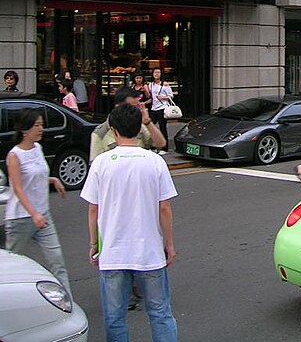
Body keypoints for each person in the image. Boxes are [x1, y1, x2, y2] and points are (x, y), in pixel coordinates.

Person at [81, 102, 178, 342]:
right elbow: (164, 207)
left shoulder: (102, 163)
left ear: (113, 130)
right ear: (138, 129)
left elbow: (93, 209)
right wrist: (169, 243)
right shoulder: (155, 162)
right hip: (149, 252)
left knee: (114, 318)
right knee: (160, 313)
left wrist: (94, 244)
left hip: (113, 253)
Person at [4, 108, 72, 297]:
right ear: (25, 130)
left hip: (43, 215)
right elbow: (17, 188)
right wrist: (33, 214)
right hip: (20, 219)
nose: (41, 129)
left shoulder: (38, 148)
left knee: (57, 261)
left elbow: (37, 175)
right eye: (37, 125)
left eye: (42, 125)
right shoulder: (14, 155)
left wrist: (53, 180)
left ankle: (68, 302)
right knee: (11, 265)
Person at [90, 87, 166, 162]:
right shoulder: (100, 132)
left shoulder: (140, 126)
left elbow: (160, 143)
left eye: (138, 107)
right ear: (118, 107)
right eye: (132, 107)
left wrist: (147, 122)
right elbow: (95, 165)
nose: (136, 110)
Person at [148, 68, 173, 155]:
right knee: (151, 128)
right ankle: (153, 147)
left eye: (158, 72)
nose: (156, 74)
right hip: (153, 108)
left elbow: (171, 96)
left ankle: (164, 148)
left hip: (162, 108)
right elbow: (150, 96)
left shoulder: (164, 84)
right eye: (155, 72)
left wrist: (162, 97)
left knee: (163, 128)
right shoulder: (150, 85)